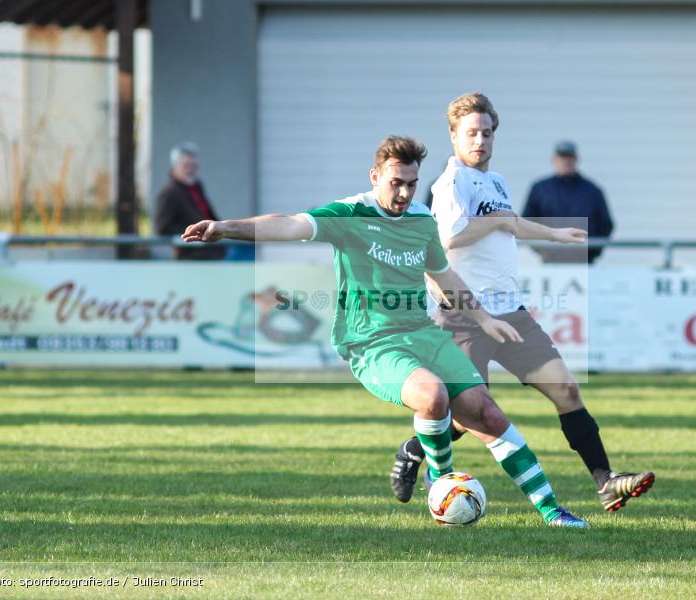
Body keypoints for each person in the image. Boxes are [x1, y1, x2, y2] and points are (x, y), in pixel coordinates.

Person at [182, 135, 588, 527]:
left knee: (487, 413)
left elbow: (444, 276)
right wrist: (224, 227)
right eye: (396, 183)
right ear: (374, 176)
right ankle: (441, 480)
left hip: (423, 333)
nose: (404, 193)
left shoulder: (421, 219)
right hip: (372, 343)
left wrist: (484, 319)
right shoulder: (351, 214)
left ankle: (553, 512)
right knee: (432, 396)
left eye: (412, 184)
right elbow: (288, 224)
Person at [389, 94, 654, 514]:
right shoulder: (451, 182)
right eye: (471, 133)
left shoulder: (495, 181)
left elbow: (509, 223)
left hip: (510, 313)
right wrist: (495, 221)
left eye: (487, 133)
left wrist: (554, 234)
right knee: (466, 416)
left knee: (566, 389)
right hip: (463, 315)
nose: (480, 140)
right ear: (454, 136)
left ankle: (606, 482)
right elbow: (448, 238)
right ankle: (413, 449)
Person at [523, 140, 614, 264]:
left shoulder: (593, 191)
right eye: (562, 157)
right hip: (551, 261)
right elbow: (527, 222)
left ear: (577, 160)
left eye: (570, 157)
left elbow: (606, 225)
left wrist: (592, 251)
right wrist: (541, 249)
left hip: (584, 262)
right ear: (554, 160)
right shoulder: (540, 189)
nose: (566, 161)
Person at [155, 142, 227, 260]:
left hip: (213, 248)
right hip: (192, 254)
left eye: (194, 166)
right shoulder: (169, 192)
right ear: (175, 167)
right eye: (186, 165)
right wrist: (196, 233)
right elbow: (163, 228)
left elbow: (208, 215)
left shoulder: (196, 187)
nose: (190, 170)